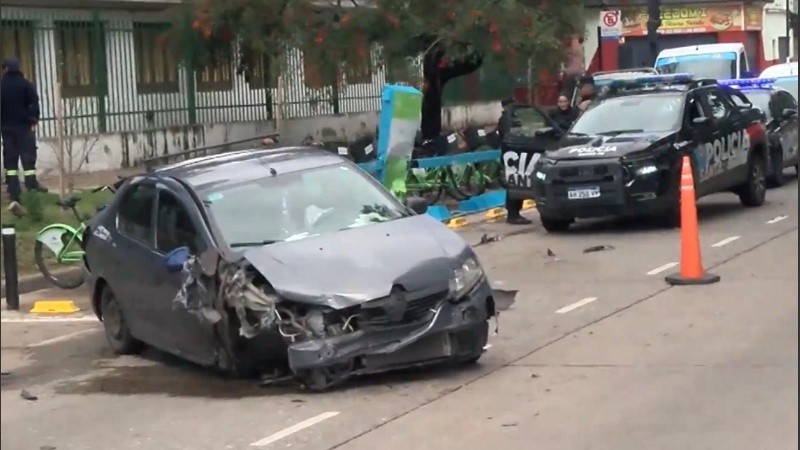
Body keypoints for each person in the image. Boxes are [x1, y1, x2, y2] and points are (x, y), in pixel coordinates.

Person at [1, 58, 46, 210]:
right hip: (25, 128)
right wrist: (33, 121)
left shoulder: (1, 86)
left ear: (5, 69)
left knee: (11, 162)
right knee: (28, 160)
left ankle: (14, 192)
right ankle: (31, 186)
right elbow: (34, 103)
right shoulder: (27, 84)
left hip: (7, 129)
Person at [497, 98, 532, 225]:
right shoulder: (507, 120)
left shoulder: (510, 119)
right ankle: (513, 214)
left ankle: (514, 212)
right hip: (512, 155)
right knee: (514, 183)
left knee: (516, 182)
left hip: (514, 154)